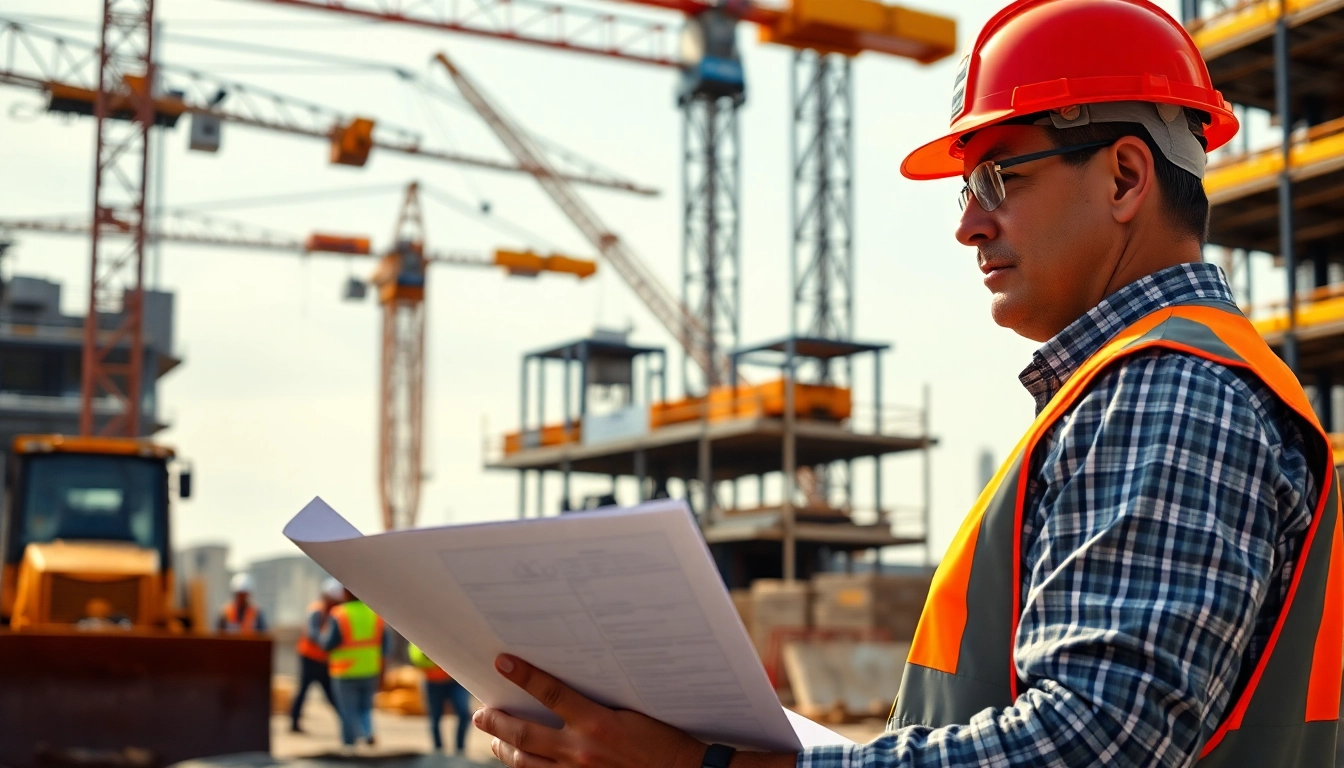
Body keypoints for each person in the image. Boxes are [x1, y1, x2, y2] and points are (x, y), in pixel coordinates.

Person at [470, 2, 1344, 767]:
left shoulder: (1169, 389)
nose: (970, 225)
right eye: (965, 191)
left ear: (1124, 177)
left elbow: (1090, 743)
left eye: (998, 177)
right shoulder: (1154, 383)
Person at [322, 587, 391, 750]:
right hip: (370, 668)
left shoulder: (340, 614)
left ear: (346, 593)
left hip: (345, 670)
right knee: (365, 707)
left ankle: (349, 745)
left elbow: (328, 643)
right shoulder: (375, 613)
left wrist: (320, 636)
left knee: (348, 710)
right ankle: (367, 733)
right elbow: (386, 645)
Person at [289, 577, 344, 734]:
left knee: (331, 693)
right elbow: (312, 633)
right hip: (309, 658)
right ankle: (294, 722)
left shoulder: (336, 613)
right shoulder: (316, 611)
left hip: (324, 660)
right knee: (303, 690)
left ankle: (347, 723)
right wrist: (326, 643)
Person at [409, 643, 472, 755]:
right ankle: (438, 751)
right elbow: (416, 657)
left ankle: (460, 750)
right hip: (433, 682)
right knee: (435, 718)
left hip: (456, 681)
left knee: (464, 714)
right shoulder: (421, 637)